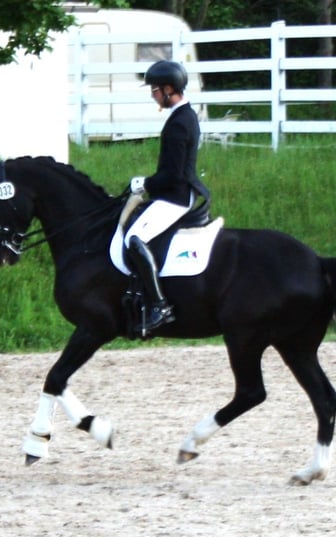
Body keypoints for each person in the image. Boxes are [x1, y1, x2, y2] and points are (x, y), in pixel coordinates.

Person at [126, 60, 210, 335]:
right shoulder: (185, 115)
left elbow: (172, 174)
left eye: (155, 89)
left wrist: (143, 183)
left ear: (169, 89)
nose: (152, 94)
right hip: (176, 192)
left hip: (174, 196)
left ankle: (159, 305)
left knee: (134, 239)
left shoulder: (178, 123)